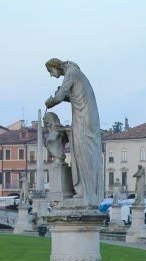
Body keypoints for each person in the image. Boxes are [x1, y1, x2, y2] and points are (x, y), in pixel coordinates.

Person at [45, 58, 103, 207]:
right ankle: (86, 192)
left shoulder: (71, 73)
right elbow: (77, 97)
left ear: (55, 66)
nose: (51, 76)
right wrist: (64, 98)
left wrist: (50, 102)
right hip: (85, 117)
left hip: (83, 119)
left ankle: (85, 194)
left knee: (82, 154)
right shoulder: (77, 73)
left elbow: (60, 95)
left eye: (50, 72)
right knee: (82, 154)